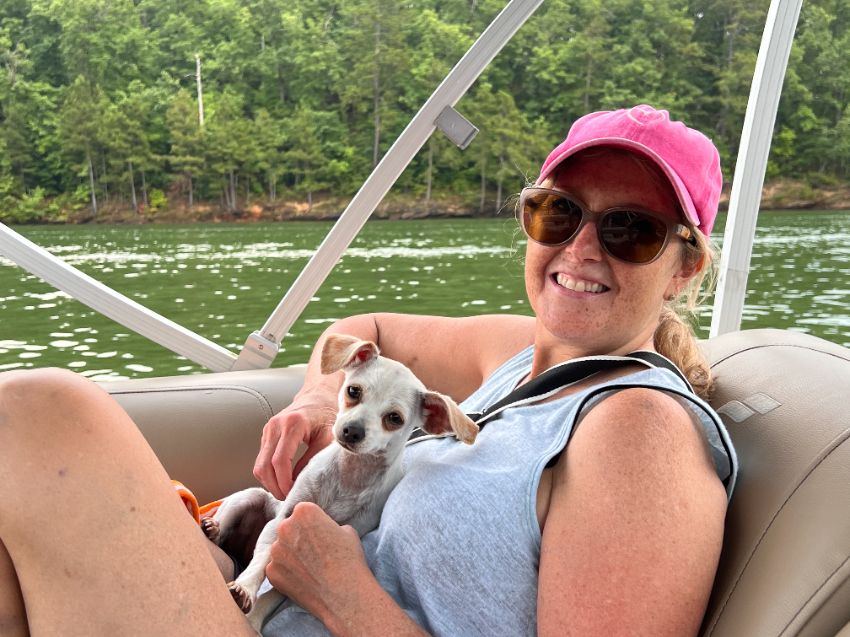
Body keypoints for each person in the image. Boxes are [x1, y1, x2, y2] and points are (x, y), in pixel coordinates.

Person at [0, 104, 736, 637]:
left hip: (302, 609)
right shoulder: (523, 355)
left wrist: (341, 592)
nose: (580, 248)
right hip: (257, 601)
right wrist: (323, 395)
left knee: (42, 417)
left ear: (685, 267)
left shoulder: (637, 428)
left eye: (629, 229)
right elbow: (368, 330)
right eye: (558, 212)